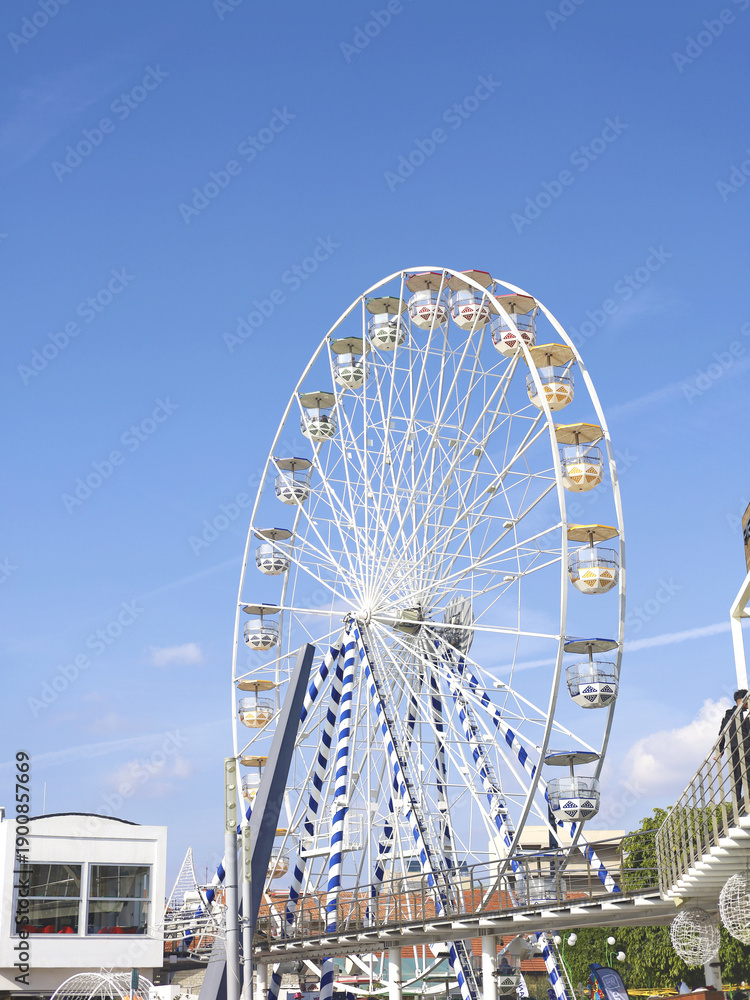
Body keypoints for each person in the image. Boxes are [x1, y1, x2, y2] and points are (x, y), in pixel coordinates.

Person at [716, 689, 750, 808]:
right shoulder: (745, 713)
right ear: (743, 701)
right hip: (747, 748)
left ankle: (737, 804)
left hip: (734, 749)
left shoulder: (728, 716)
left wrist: (720, 751)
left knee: (737, 777)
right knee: (748, 774)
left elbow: (721, 734)